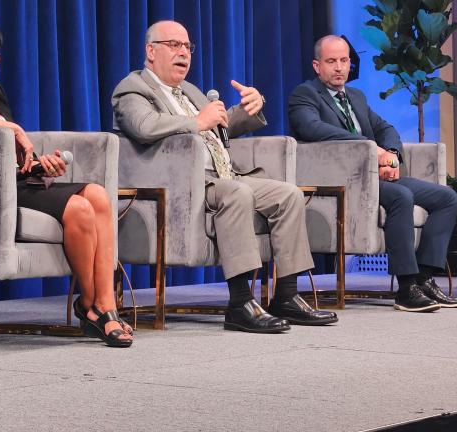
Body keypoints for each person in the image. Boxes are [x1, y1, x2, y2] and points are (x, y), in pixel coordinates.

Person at [0, 15, 132, 347]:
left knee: (99, 196)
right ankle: (93, 308)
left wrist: (39, 165)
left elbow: (10, 156)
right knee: (79, 209)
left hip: (19, 184)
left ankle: (102, 305)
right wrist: (10, 127)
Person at [112, 20, 337, 332]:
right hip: (184, 185)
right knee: (237, 193)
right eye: (174, 45)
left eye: (187, 47)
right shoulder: (133, 88)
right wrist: (196, 120)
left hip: (223, 173)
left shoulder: (188, 91)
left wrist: (247, 111)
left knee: (289, 194)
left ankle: (286, 295)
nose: (183, 53)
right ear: (151, 51)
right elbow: (145, 126)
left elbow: (216, 128)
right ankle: (240, 302)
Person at [288, 34, 457, 313]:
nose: (339, 68)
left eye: (344, 60)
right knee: (401, 196)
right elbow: (312, 129)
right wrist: (370, 150)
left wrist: (390, 156)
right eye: (331, 61)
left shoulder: (355, 96)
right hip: (343, 182)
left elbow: (385, 129)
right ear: (316, 65)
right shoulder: (305, 95)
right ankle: (406, 288)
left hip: (376, 176)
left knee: (446, 198)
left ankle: (425, 277)